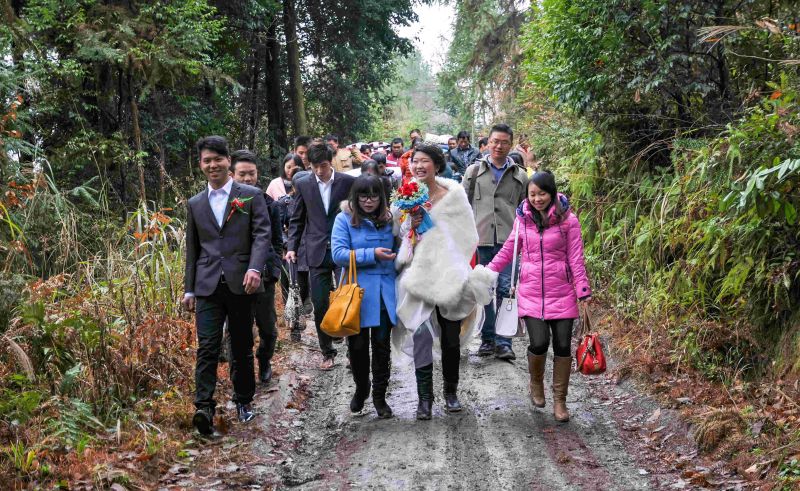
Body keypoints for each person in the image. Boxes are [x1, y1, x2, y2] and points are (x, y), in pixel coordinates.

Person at [393, 143, 495, 420]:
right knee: (422, 334)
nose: (418, 166)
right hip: (419, 274)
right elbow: (400, 233)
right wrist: (411, 224)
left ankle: (451, 392)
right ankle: (424, 399)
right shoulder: (406, 195)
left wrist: (452, 258)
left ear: (437, 165)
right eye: (415, 161)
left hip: (450, 273)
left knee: (451, 337)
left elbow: (468, 234)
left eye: (424, 161)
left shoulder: (455, 195)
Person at [182, 136, 271, 434]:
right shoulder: (195, 204)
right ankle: (203, 408)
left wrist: (255, 267)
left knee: (242, 345)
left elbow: (261, 234)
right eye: (206, 161)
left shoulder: (250, 195)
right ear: (200, 165)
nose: (212, 165)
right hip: (207, 285)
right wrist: (189, 289)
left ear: (227, 161)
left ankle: (244, 400)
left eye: (217, 159)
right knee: (207, 346)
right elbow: (192, 250)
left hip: (242, 283)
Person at [487, 171, 591, 422]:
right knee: (539, 342)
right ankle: (536, 382)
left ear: (552, 193)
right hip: (531, 292)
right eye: (532, 194)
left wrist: (583, 290)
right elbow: (510, 249)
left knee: (563, 346)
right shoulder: (522, 220)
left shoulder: (569, 220)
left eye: (542, 193)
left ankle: (560, 402)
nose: (537, 199)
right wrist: (488, 272)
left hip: (562, 291)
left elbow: (576, 258)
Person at [331, 175, 398, 418]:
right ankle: (362, 389)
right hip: (356, 294)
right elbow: (338, 254)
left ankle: (380, 397)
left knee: (381, 347)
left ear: (382, 197)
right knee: (357, 347)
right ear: (355, 197)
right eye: (363, 196)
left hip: (384, 293)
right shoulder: (344, 219)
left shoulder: (392, 219)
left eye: (374, 196)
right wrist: (372, 253)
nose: (368, 201)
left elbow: (404, 247)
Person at [286, 142, 356, 370]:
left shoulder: (347, 182)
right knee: (320, 302)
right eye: (315, 166)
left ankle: (353, 351)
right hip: (315, 250)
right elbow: (297, 218)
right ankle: (328, 352)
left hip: (343, 248)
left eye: (323, 166)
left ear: (331, 161)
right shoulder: (303, 184)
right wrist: (292, 247)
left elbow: (357, 214)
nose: (319, 171)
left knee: (348, 299)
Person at [462, 123, 528, 361]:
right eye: (495, 141)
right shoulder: (473, 172)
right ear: (488, 142)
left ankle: (504, 342)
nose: (499, 146)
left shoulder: (520, 175)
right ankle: (487, 340)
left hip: (510, 242)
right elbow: (464, 205)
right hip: (480, 241)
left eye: (504, 142)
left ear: (511, 144)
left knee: (505, 289)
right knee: (483, 290)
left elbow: (525, 210)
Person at [229, 150, 284, 384]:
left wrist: (274, 268)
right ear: (232, 175)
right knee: (238, 332)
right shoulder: (226, 204)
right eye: (242, 174)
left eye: (251, 174)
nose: (248, 178)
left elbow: (277, 240)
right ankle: (240, 378)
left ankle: (264, 360)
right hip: (234, 276)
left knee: (268, 329)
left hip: (264, 276)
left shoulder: (269, 203)